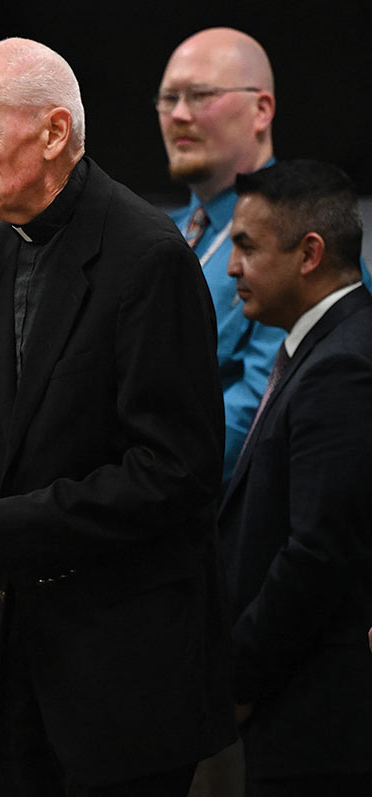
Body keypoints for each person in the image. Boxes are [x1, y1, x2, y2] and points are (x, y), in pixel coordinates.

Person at [0, 38, 234, 796]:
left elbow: (177, 472)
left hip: (124, 675)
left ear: (52, 133)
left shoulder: (147, 256)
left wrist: (0, 526)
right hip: (17, 668)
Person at [156, 27, 372, 486]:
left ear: (262, 109)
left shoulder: (308, 235)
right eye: (167, 97)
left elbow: (264, 405)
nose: (178, 114)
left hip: (223, 512)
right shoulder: (161, 234)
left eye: (200, 95)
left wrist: (143, 483)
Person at [219, 160, 372, 796]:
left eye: (247, 247)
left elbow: (318, 551)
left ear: (309, 253)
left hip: (321, 722)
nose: (232, 268)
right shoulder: (320, 348)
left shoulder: (343, 365)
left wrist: (238, 679)